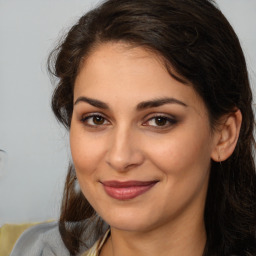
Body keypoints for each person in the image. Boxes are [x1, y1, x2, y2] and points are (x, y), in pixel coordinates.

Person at [11, 0, 256, 255]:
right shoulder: (36, 250)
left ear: (224, 136)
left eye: (159, 120)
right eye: (97, 119)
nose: (120, 158)